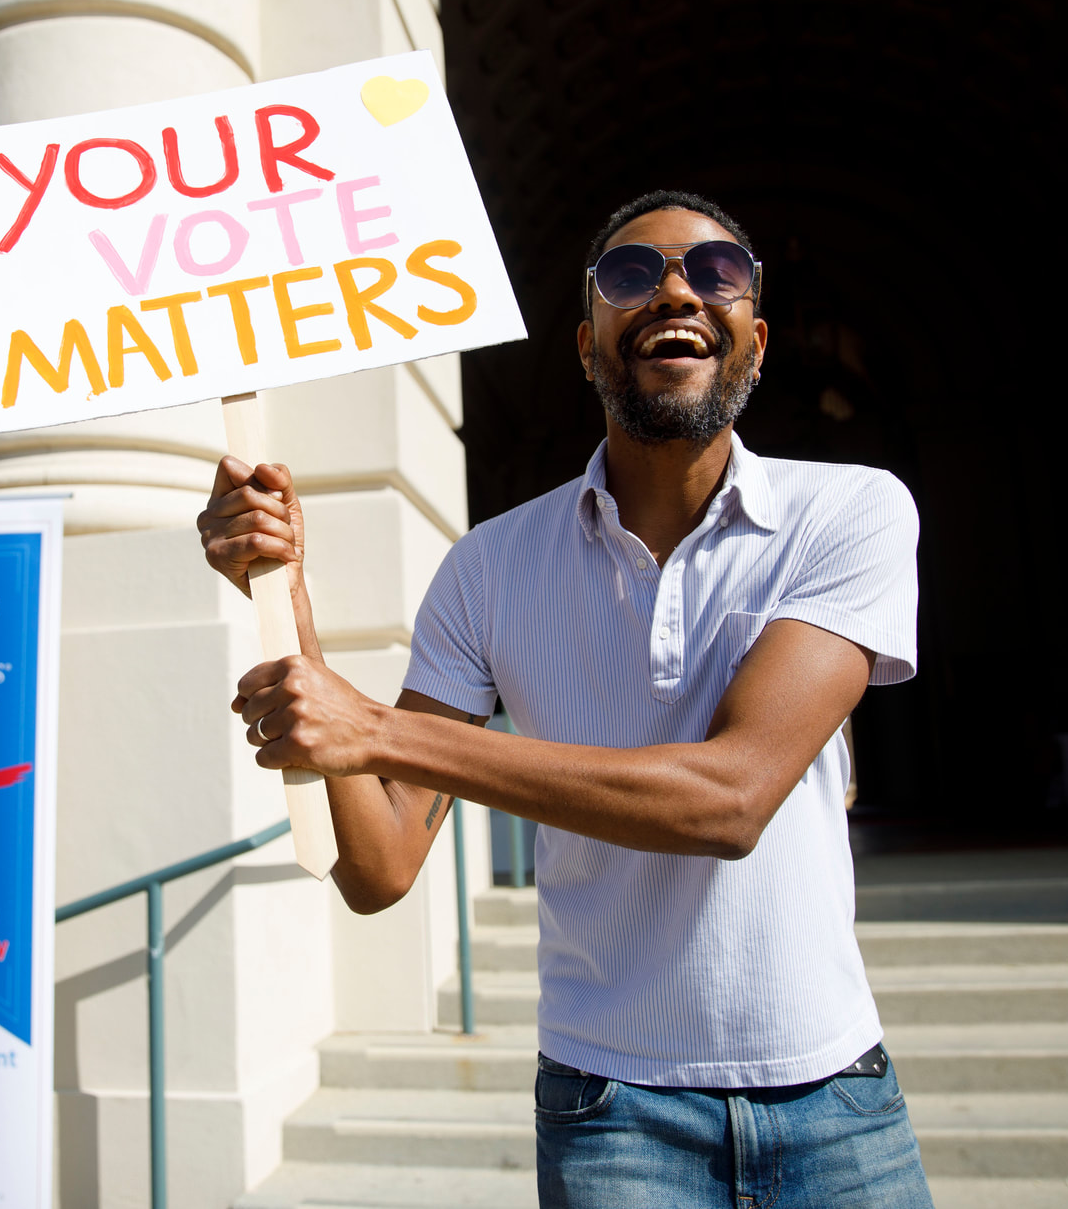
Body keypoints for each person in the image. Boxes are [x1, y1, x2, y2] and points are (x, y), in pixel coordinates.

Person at [199, 190, 930, 1206]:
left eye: (713, 272)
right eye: (629, 275)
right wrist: (288, 603)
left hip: (830, 1098)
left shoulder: (848, 511)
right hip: (608, 1114)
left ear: (753, 344)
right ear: (586, 349)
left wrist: (371, 728)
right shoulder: (488, 566)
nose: (674, 287)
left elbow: (729, 799)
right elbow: (380, 865)